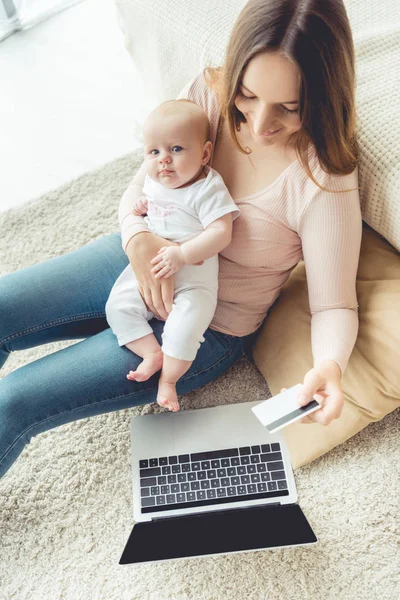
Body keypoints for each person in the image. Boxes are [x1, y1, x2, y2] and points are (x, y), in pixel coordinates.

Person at [0, 0, 362, 480]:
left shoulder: (323, 181)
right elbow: (142, 184)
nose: (258, 124)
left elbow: (335, 305)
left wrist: (330, 367)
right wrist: (137, 239)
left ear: (322, 95)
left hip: (206, 320)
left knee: (16, 399)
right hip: (138, 256)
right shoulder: (209, 96)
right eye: (248, 96)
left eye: (288, 109)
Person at [105, 99, 239, 412]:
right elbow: (145, 204)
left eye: (176, 149)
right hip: (150, 270)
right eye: (154, 152)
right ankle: (151, 352)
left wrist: (182, 254)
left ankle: (168, 381)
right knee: (117, 307)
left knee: (183, 331)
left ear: (204, 153)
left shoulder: (207, 187)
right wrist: (141, 209)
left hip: (193, 278)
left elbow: (221, 232)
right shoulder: (153, 182)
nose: (163, 160)